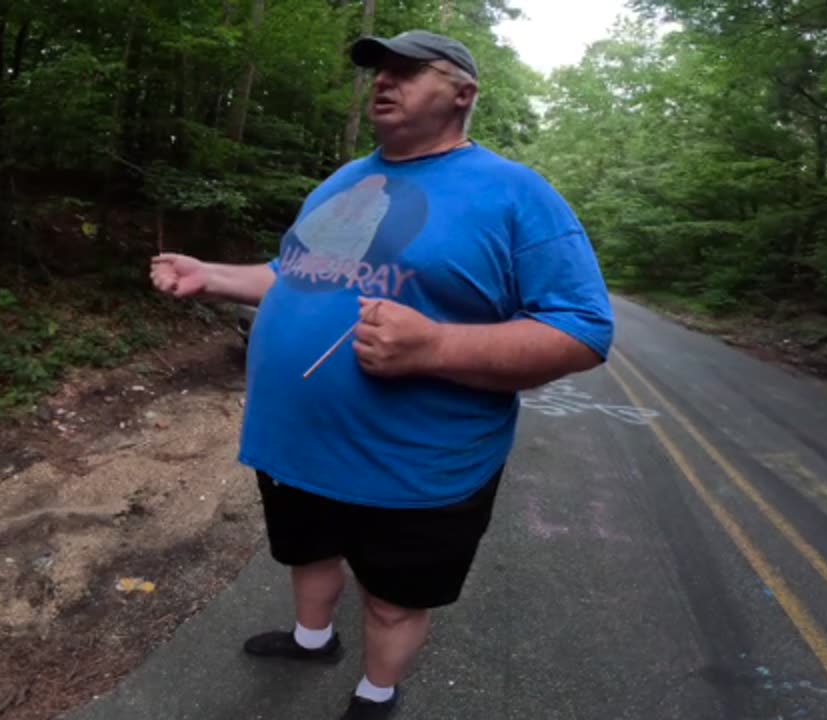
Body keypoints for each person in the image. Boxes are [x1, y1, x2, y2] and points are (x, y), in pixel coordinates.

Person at [149, 29, 614, 720]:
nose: (383, 83)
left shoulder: (517, 194)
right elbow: (298, 275)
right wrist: (211, 275)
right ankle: (312, 640)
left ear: (463, 92)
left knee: (393, 600)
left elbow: (583, 328)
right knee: (306, 553)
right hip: (294, 447)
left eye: (406, 71)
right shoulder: (347, 180)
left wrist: (436, 348)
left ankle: (376, 692)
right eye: (377, 73)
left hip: (415, 468)